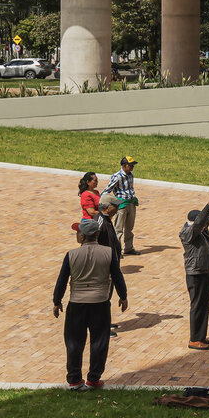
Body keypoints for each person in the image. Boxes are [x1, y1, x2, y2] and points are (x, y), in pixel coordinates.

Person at [53, 216, 129, 389]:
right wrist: (123, 296)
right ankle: (93, 378)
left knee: (73, 342)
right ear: (97, 233)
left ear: (82, 236)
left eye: (78, 232)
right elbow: (118, 277)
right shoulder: (108, 253)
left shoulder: (71, 254)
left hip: (76, 303)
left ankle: (74, 379)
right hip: (100, 303)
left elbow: (62, 280)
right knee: (99, 341)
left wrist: (57, 301)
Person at [179, 183, 209, 349]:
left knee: (204, 305)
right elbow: (201, 222)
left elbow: (207, 218)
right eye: (202, 223)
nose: (206, 225)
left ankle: (201, 336)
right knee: (197, 306)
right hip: (196, 273)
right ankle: (194, 339)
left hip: (205, 271)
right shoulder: (188, 232)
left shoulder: (200, 228)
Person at [102, 155, 140, 256]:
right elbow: (107, 190)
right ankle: (116, 250)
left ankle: (129, 248)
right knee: (118, 229)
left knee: (129, 228)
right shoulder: (117, 176)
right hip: (121, 205)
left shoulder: (131, 174)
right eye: (130, 165)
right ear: (124, 165)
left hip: (131, 203)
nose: (132, 167)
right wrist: (101, 201)